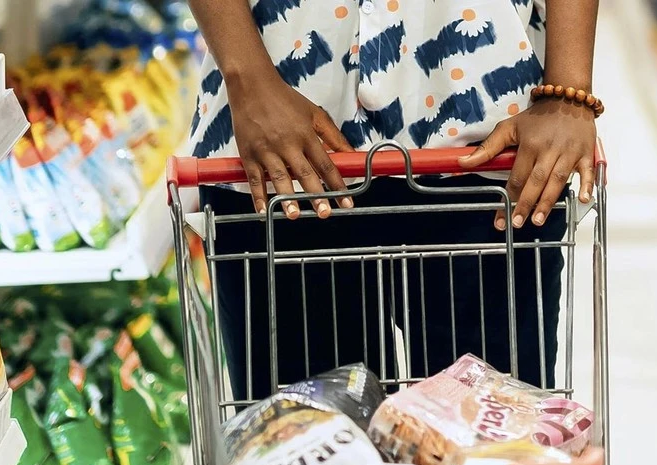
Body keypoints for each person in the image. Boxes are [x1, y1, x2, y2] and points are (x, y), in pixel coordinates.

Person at [187, 0, 601, 402]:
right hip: (280, 144)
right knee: (302, 439)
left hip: (487, 144)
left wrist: (569, 92)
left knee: (491, 436)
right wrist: (249, 81)